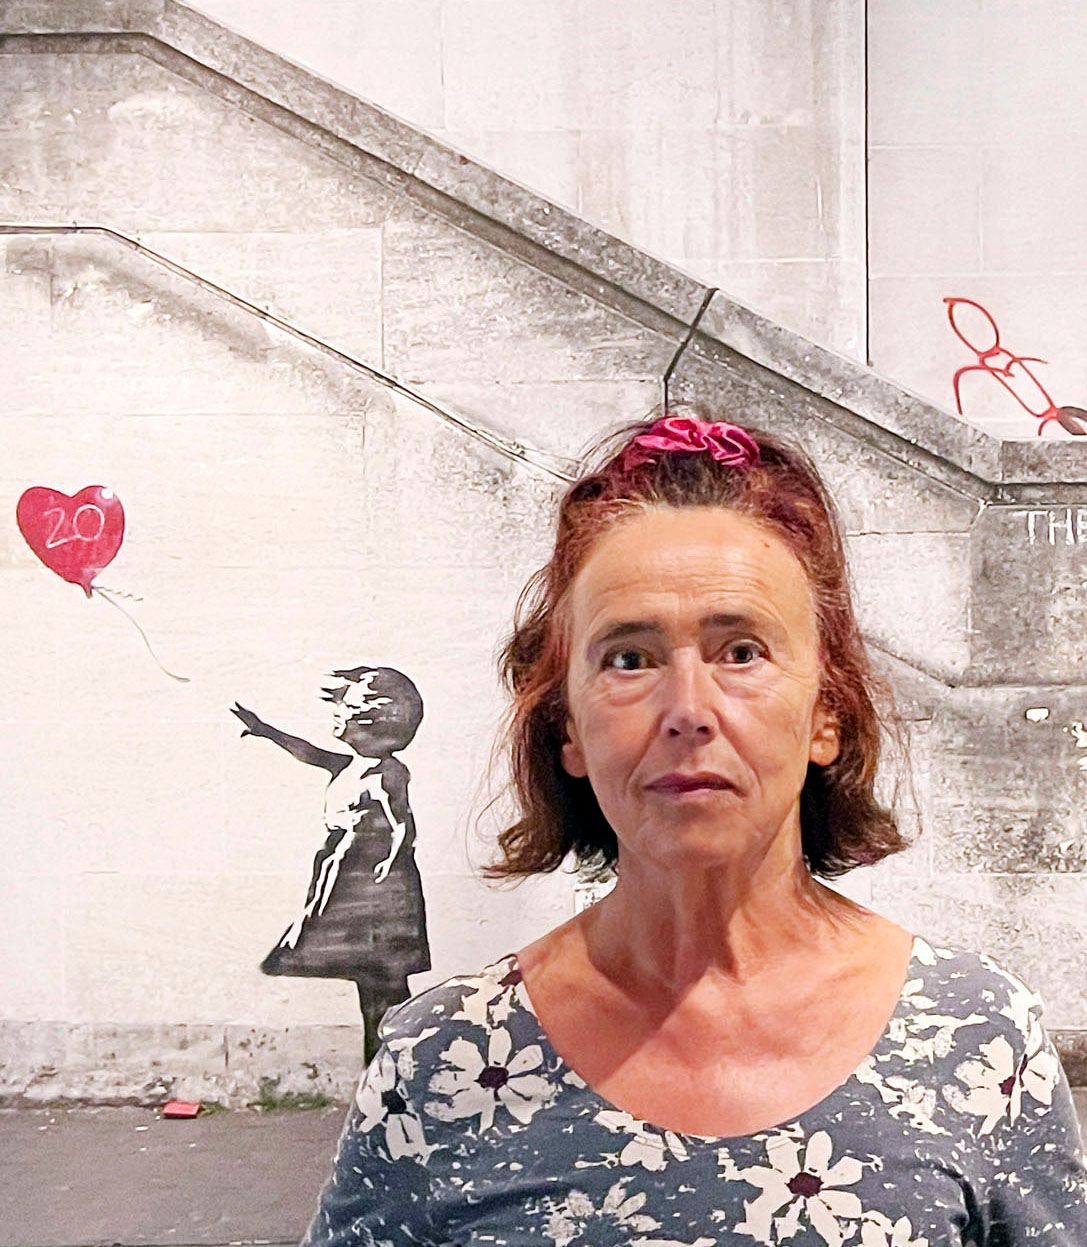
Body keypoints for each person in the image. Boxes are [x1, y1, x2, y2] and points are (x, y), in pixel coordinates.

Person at [300, 404, 1087, 1245]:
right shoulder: (441, 1066)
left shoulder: (975, 1043)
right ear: (567, 727)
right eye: (628, 658)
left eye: (740, 651)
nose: (687, 709)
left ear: (826, 710)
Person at [231, 665, 430, 1062]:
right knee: (373, 979)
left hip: (374, 884)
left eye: (346, 708)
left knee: (383, 979)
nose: (336, 715)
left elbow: (403, 824)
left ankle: (397, 1059)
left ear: (371, 720)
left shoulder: (385, 772)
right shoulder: (349, 764)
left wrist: (389, 863)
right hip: (348, 872)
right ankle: (386, 1060)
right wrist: (265, 730)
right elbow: (308, 752)